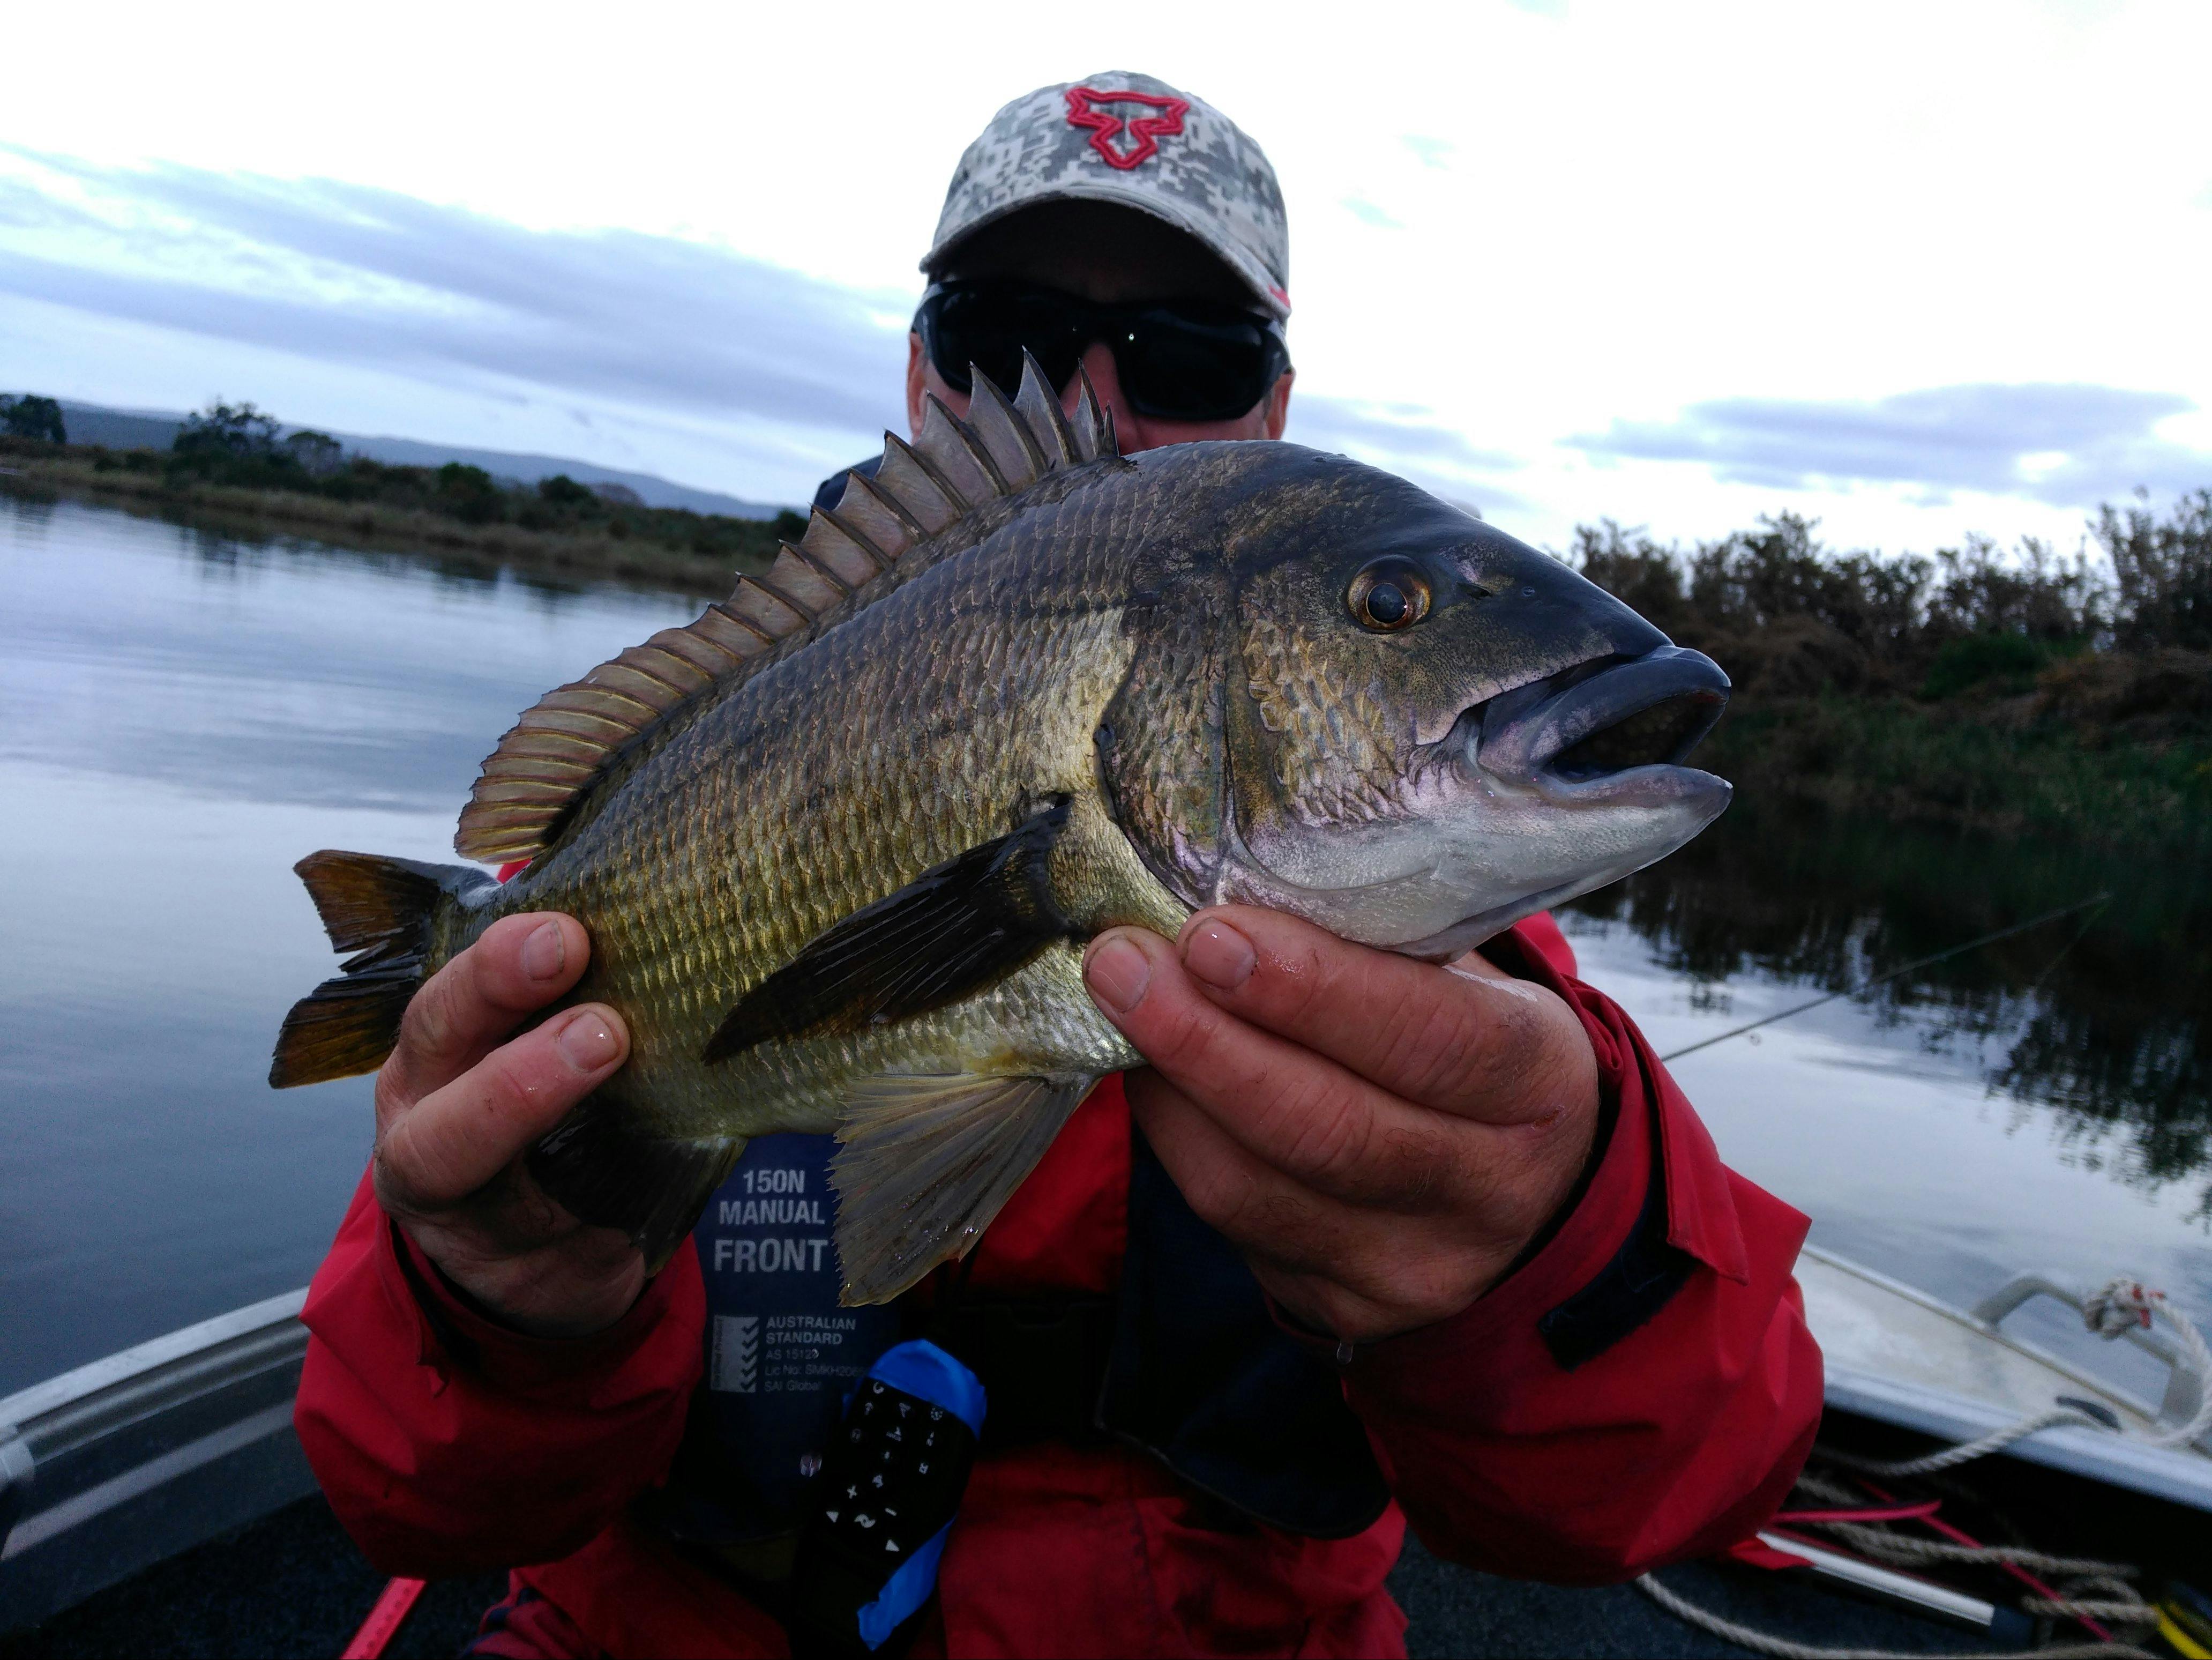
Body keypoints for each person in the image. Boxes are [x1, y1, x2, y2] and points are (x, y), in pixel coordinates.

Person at [295, 72, 1822, 1659]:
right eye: (1006, 334)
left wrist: (1556, 1230)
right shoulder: (659, 824)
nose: (1097, 391)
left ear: (1271, 406)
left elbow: (1690, 1476)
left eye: (1190, 353)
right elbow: (403, 1489)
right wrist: (495, 1301)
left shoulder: (1466, 976)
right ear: (919, 369)